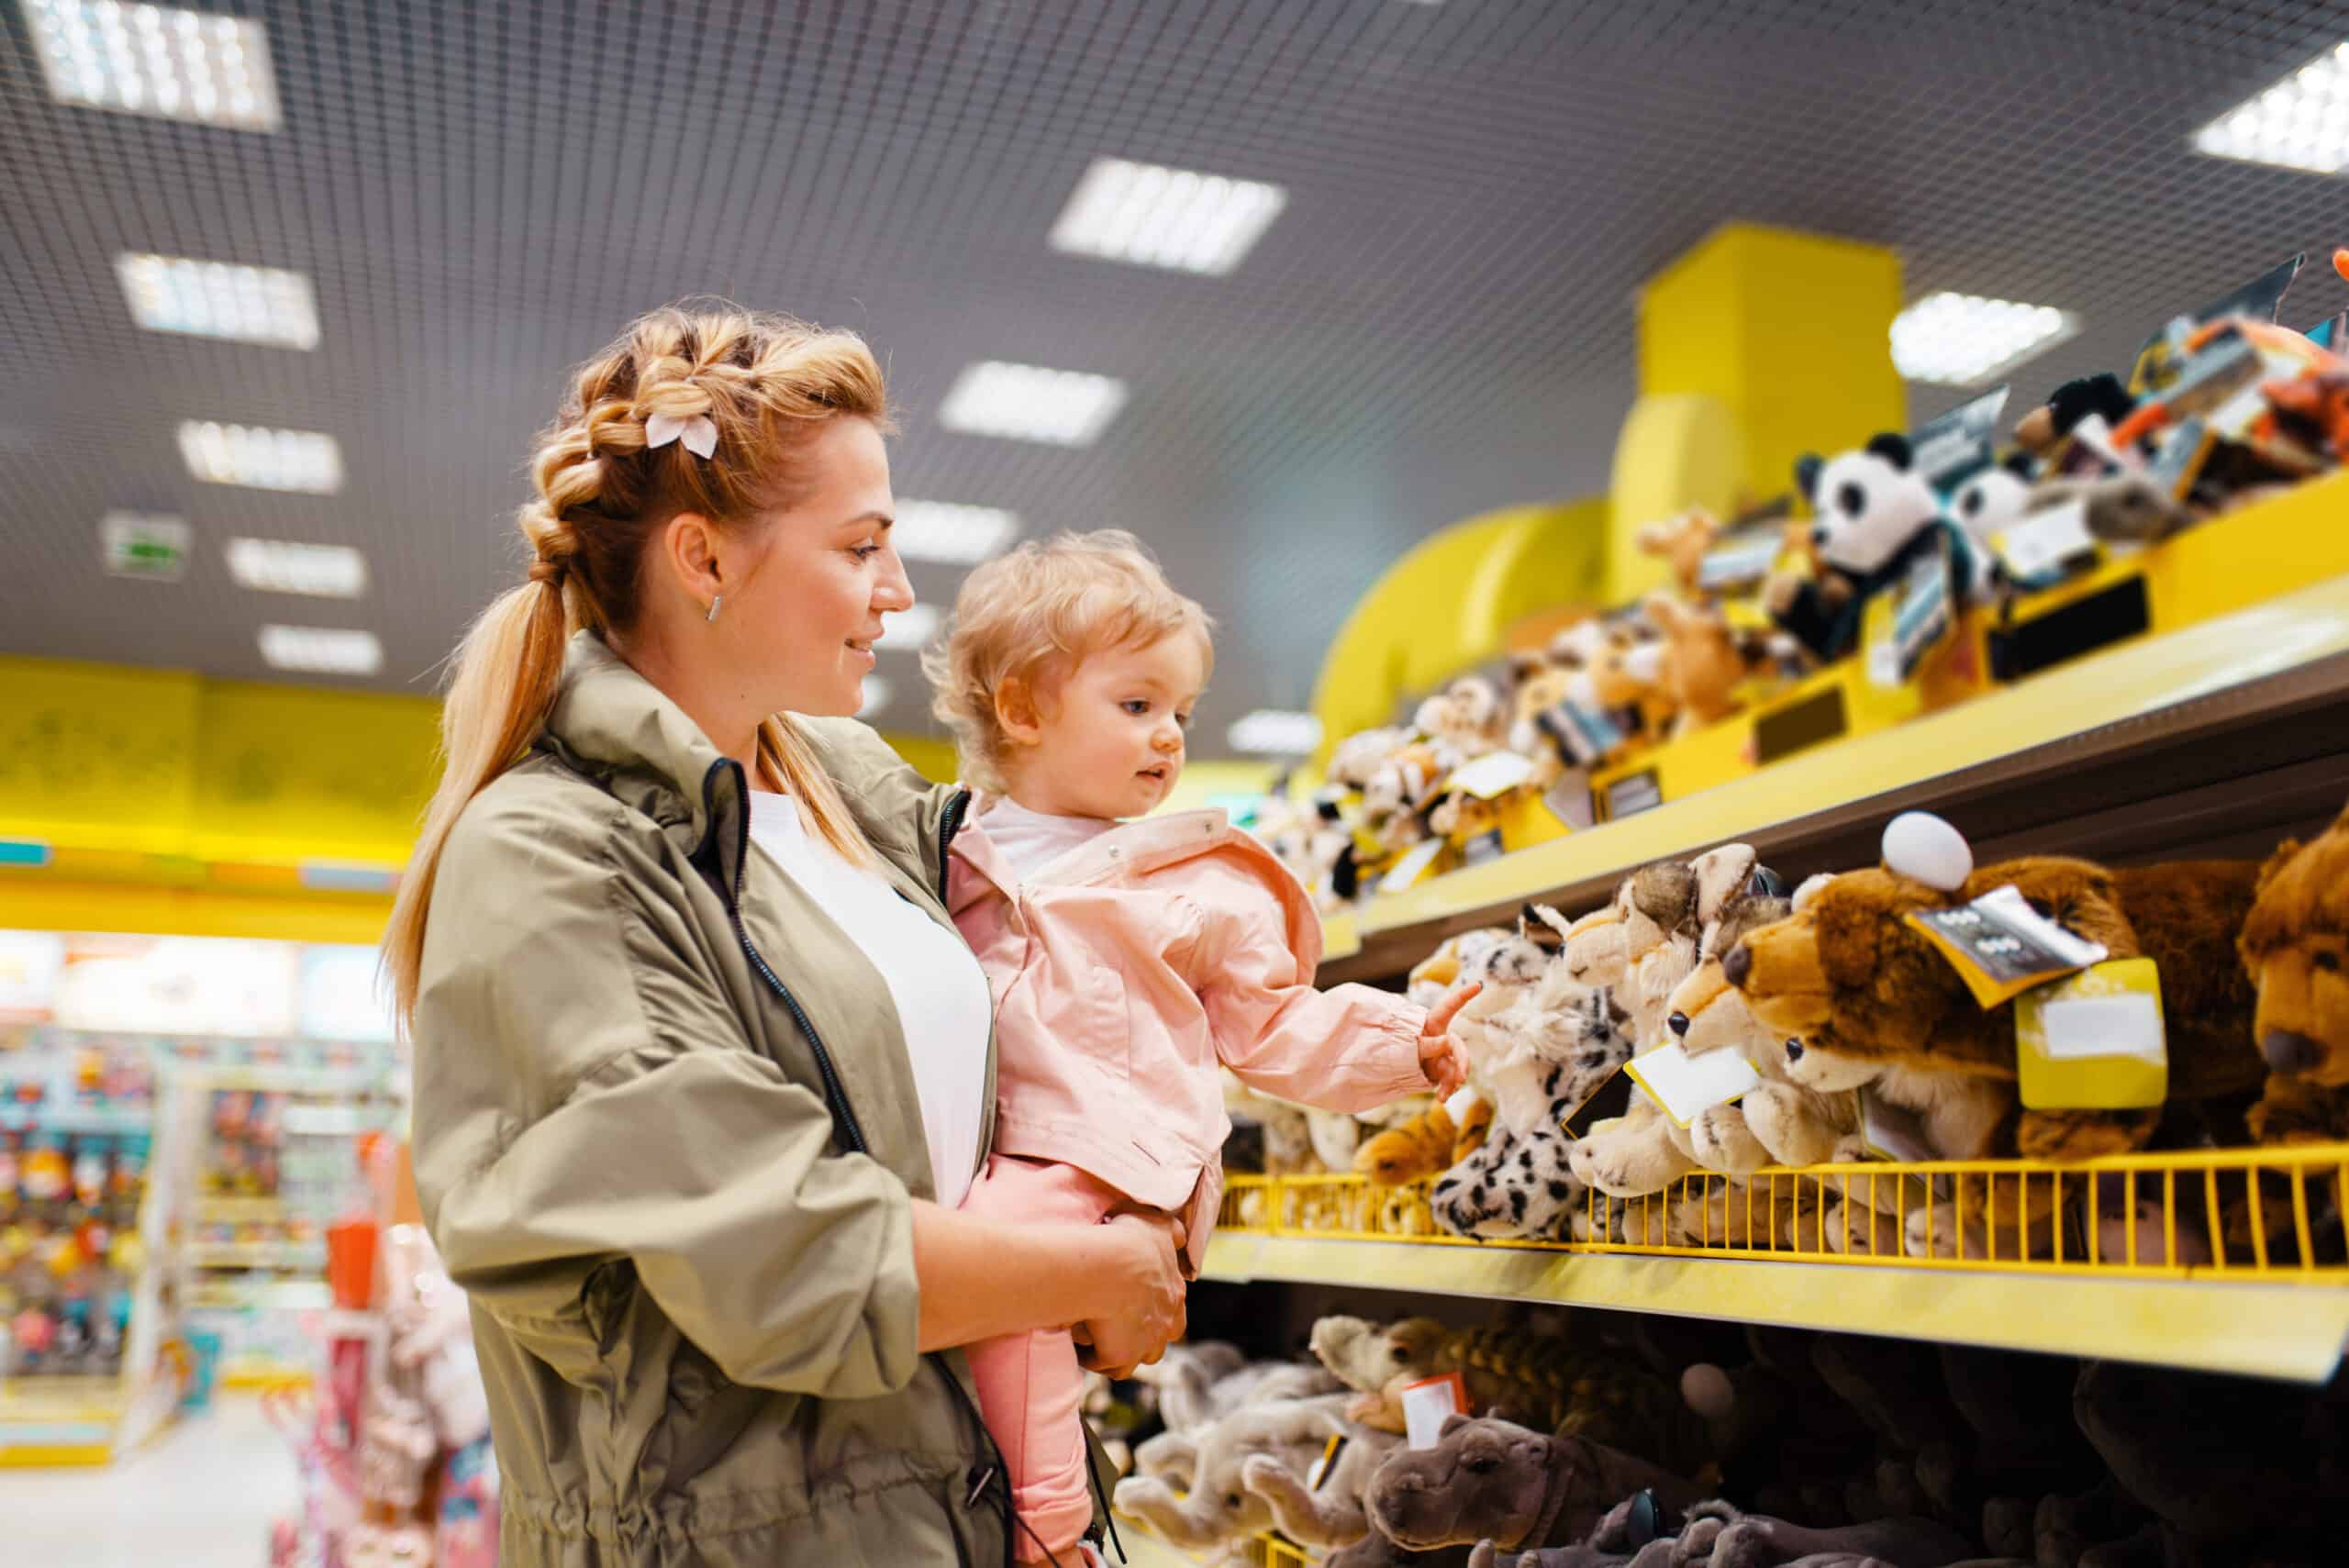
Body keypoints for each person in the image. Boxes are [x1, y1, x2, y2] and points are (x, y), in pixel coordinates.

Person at [383, 306, 1186, 1568]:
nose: (898, 591)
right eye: (861, 546)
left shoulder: (848, 793)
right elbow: (783, 1252)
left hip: (954, 1518)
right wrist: (1095, 1273)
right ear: (704, 560)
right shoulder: (552, 859)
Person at [922, 531, 1477, 1567]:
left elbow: (1277, 1023)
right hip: (1012, 1149)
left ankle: (1048, 1534)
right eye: (1136, 705)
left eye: (1179, 712)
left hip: (1117, 1164)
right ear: (1024, 708)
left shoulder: (1189, 880)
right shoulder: (952, 855)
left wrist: (1406, 1039)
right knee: (968, 1280)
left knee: (1006, 1276)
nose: (1169, 736)